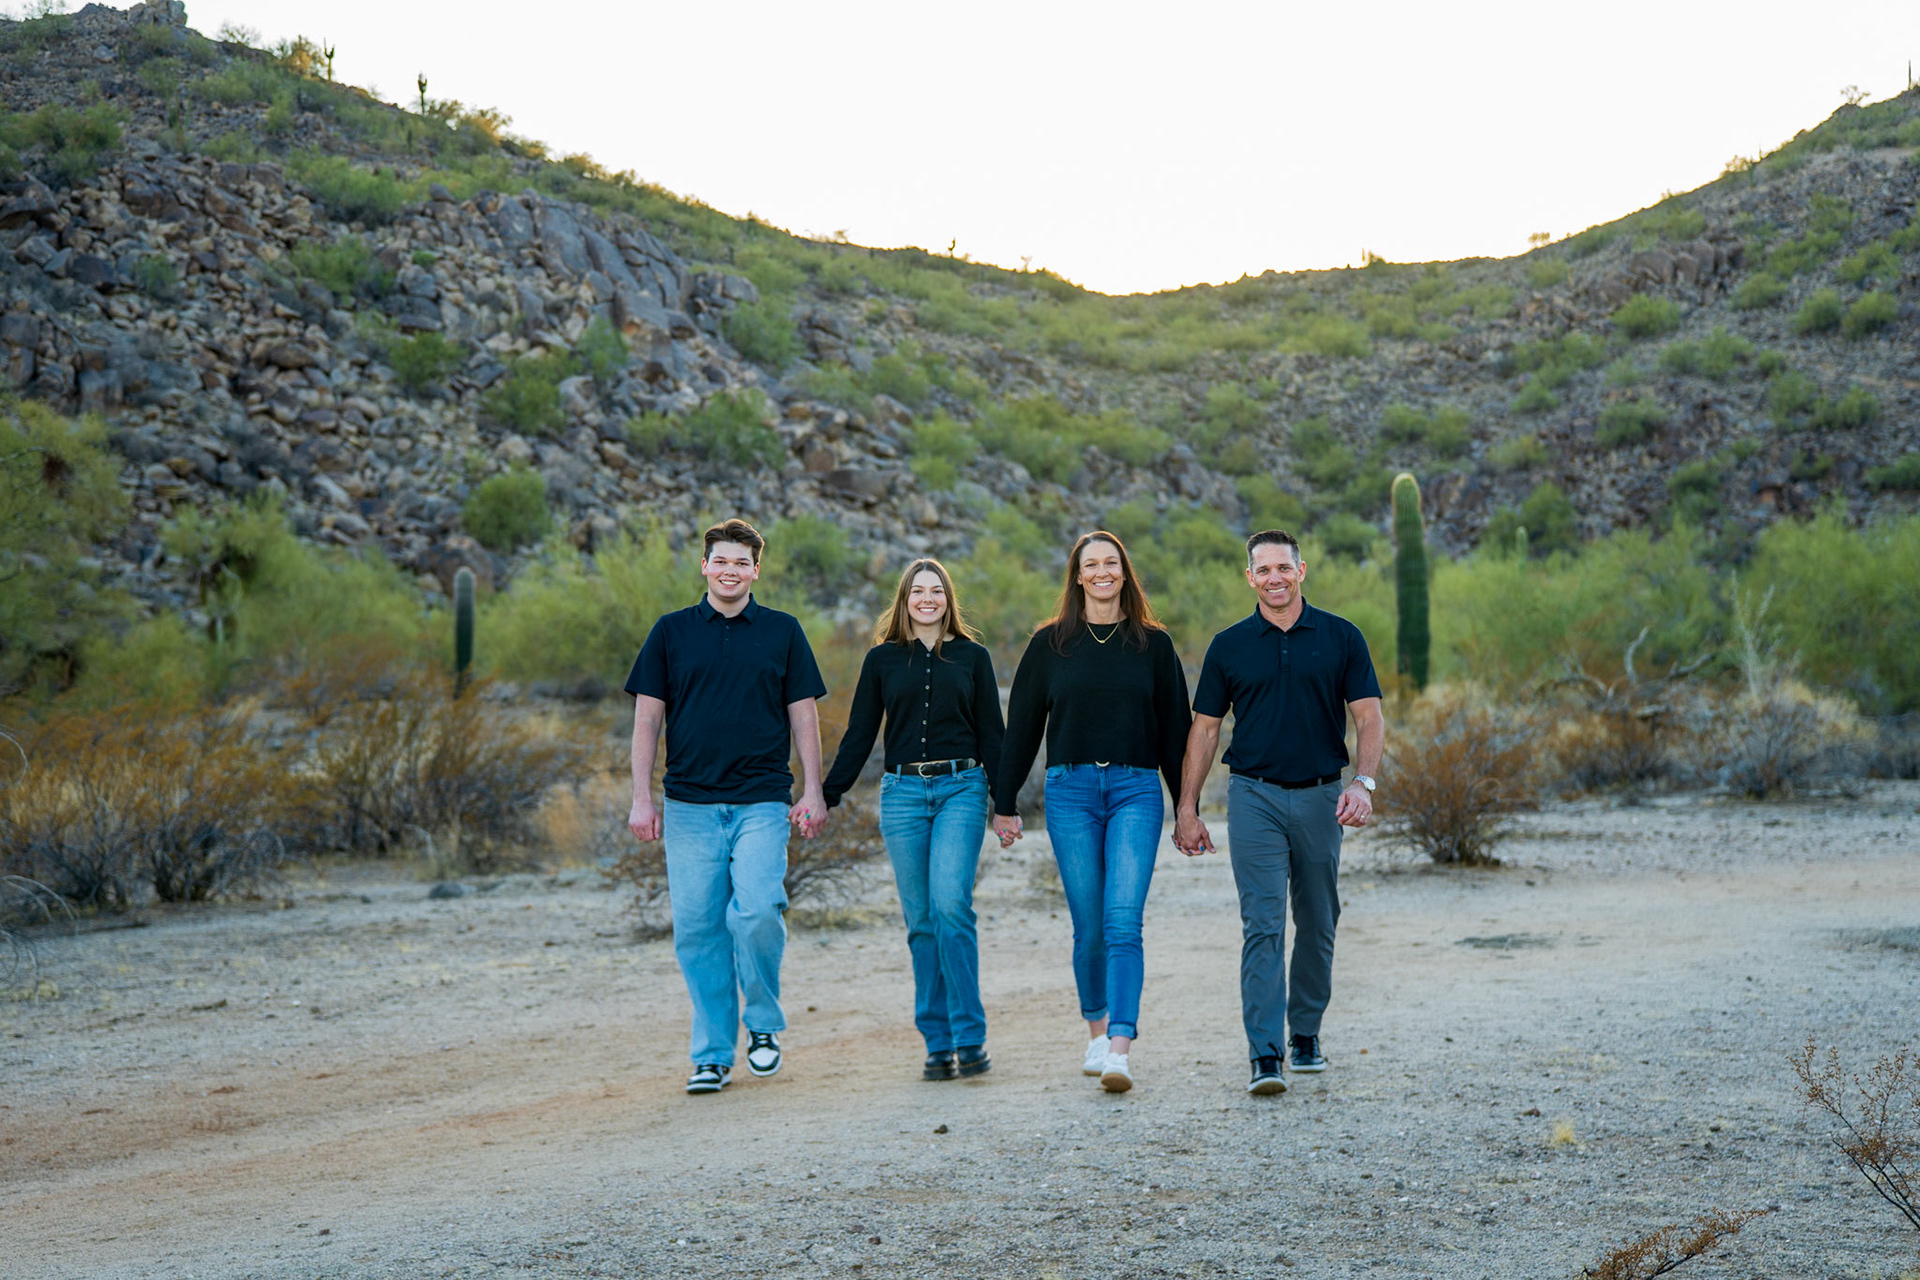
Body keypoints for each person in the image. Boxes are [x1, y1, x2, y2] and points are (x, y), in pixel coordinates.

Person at [1173, 528, 1384, 1097]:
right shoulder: (1229, 645)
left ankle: (1306, 1033)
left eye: (1283, 568)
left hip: (1322, 797)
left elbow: (1368, 717)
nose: (1274, 578)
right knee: (1262, 925)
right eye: (1263, 570)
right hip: (1254, 797)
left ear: (1301, 570)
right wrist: (1187, 807)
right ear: (1249, 578)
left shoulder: (1342, 636)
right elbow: (1206, 730)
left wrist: (1363, 784)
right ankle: (1265, 1053)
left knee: (1318, 919)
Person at [626, 518, 829, 1096]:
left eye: (741, 562)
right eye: (721, 560)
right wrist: (641, 798)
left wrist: (813, 790)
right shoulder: (670, 632)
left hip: (762, 800)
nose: (730, 571)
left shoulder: (784, 631)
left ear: (756, 571)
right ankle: (712, 1055)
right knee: (698, 932)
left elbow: (804, 716)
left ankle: (762, 1024)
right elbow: (647, 720)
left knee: (758, 911)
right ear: (704, 566)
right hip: (689, 805)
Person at [994, 531, 1191, 1093]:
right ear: (1077, 576)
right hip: (1070, 793)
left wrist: (1187, 809)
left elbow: (1176, 733)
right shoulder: (1049, 644)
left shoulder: (1154, 645)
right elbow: (1022, 729)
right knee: (1089, 928)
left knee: (1123, 920)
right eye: (1091, 565)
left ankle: (1120, 1049)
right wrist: (1004, 804)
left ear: (1124, 573)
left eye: (1111, 563)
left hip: (1136, 790)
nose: (1102, 572)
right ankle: (1096, 1032)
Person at [822, 559, 1007, 1082]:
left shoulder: (973, 657)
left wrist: (1006, 803)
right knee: (921, 922)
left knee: (951, 908)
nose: (927, 599)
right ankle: (937, 1042)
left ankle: (969, 1036)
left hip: (961, 789)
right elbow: (860, 733)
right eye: (918, 591)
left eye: (936, 590)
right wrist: (826, 795)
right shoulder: (881, 660)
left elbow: (993, 733)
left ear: (948, 598)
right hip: (901, 796)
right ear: (904, 600)